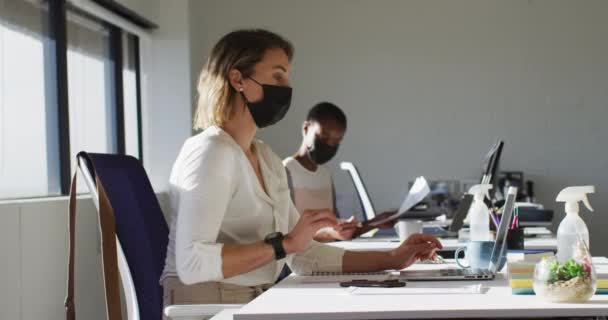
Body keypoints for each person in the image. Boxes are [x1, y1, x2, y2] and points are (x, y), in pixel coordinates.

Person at [160, 29, 442, 311]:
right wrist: (284, 244)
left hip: (255, 300)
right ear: (238, 79)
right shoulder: (211, 152)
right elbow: (191, 263)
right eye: (278, 76)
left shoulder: (267, 159)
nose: (286, 87)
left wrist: (393, 258)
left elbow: (304, 256)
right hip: (206, 305)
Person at [283, 102, 398, 241]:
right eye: (324, 137)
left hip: (328, 254)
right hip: (299, 260)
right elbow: (287, 234)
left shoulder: (325, 174)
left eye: (336, 141)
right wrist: (332, 233)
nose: (329, 145)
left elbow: (334, 228)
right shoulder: (285, 171)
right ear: (306, 129)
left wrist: (374, 223)